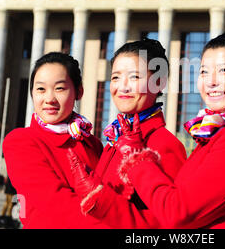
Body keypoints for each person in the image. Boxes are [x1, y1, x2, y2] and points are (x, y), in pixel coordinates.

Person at [68, 32, 225, 228]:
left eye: (224, 70)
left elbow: (174, 215)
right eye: (204, 72)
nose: (211, 82)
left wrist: (133, 160)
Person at [70, 37, 187, 228]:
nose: (122, 87)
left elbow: (170, 223)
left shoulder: (165, 144)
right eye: (115, 77)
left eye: (134, 77)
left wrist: (101, 199)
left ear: (159, 83)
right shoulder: (115, 140)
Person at [3, 52, 104, 228]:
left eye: (59, 88)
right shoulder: (20, 141)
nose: (49, 99)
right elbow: (55, 204)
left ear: (78, 91)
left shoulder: (93, 143)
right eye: (41, 89)